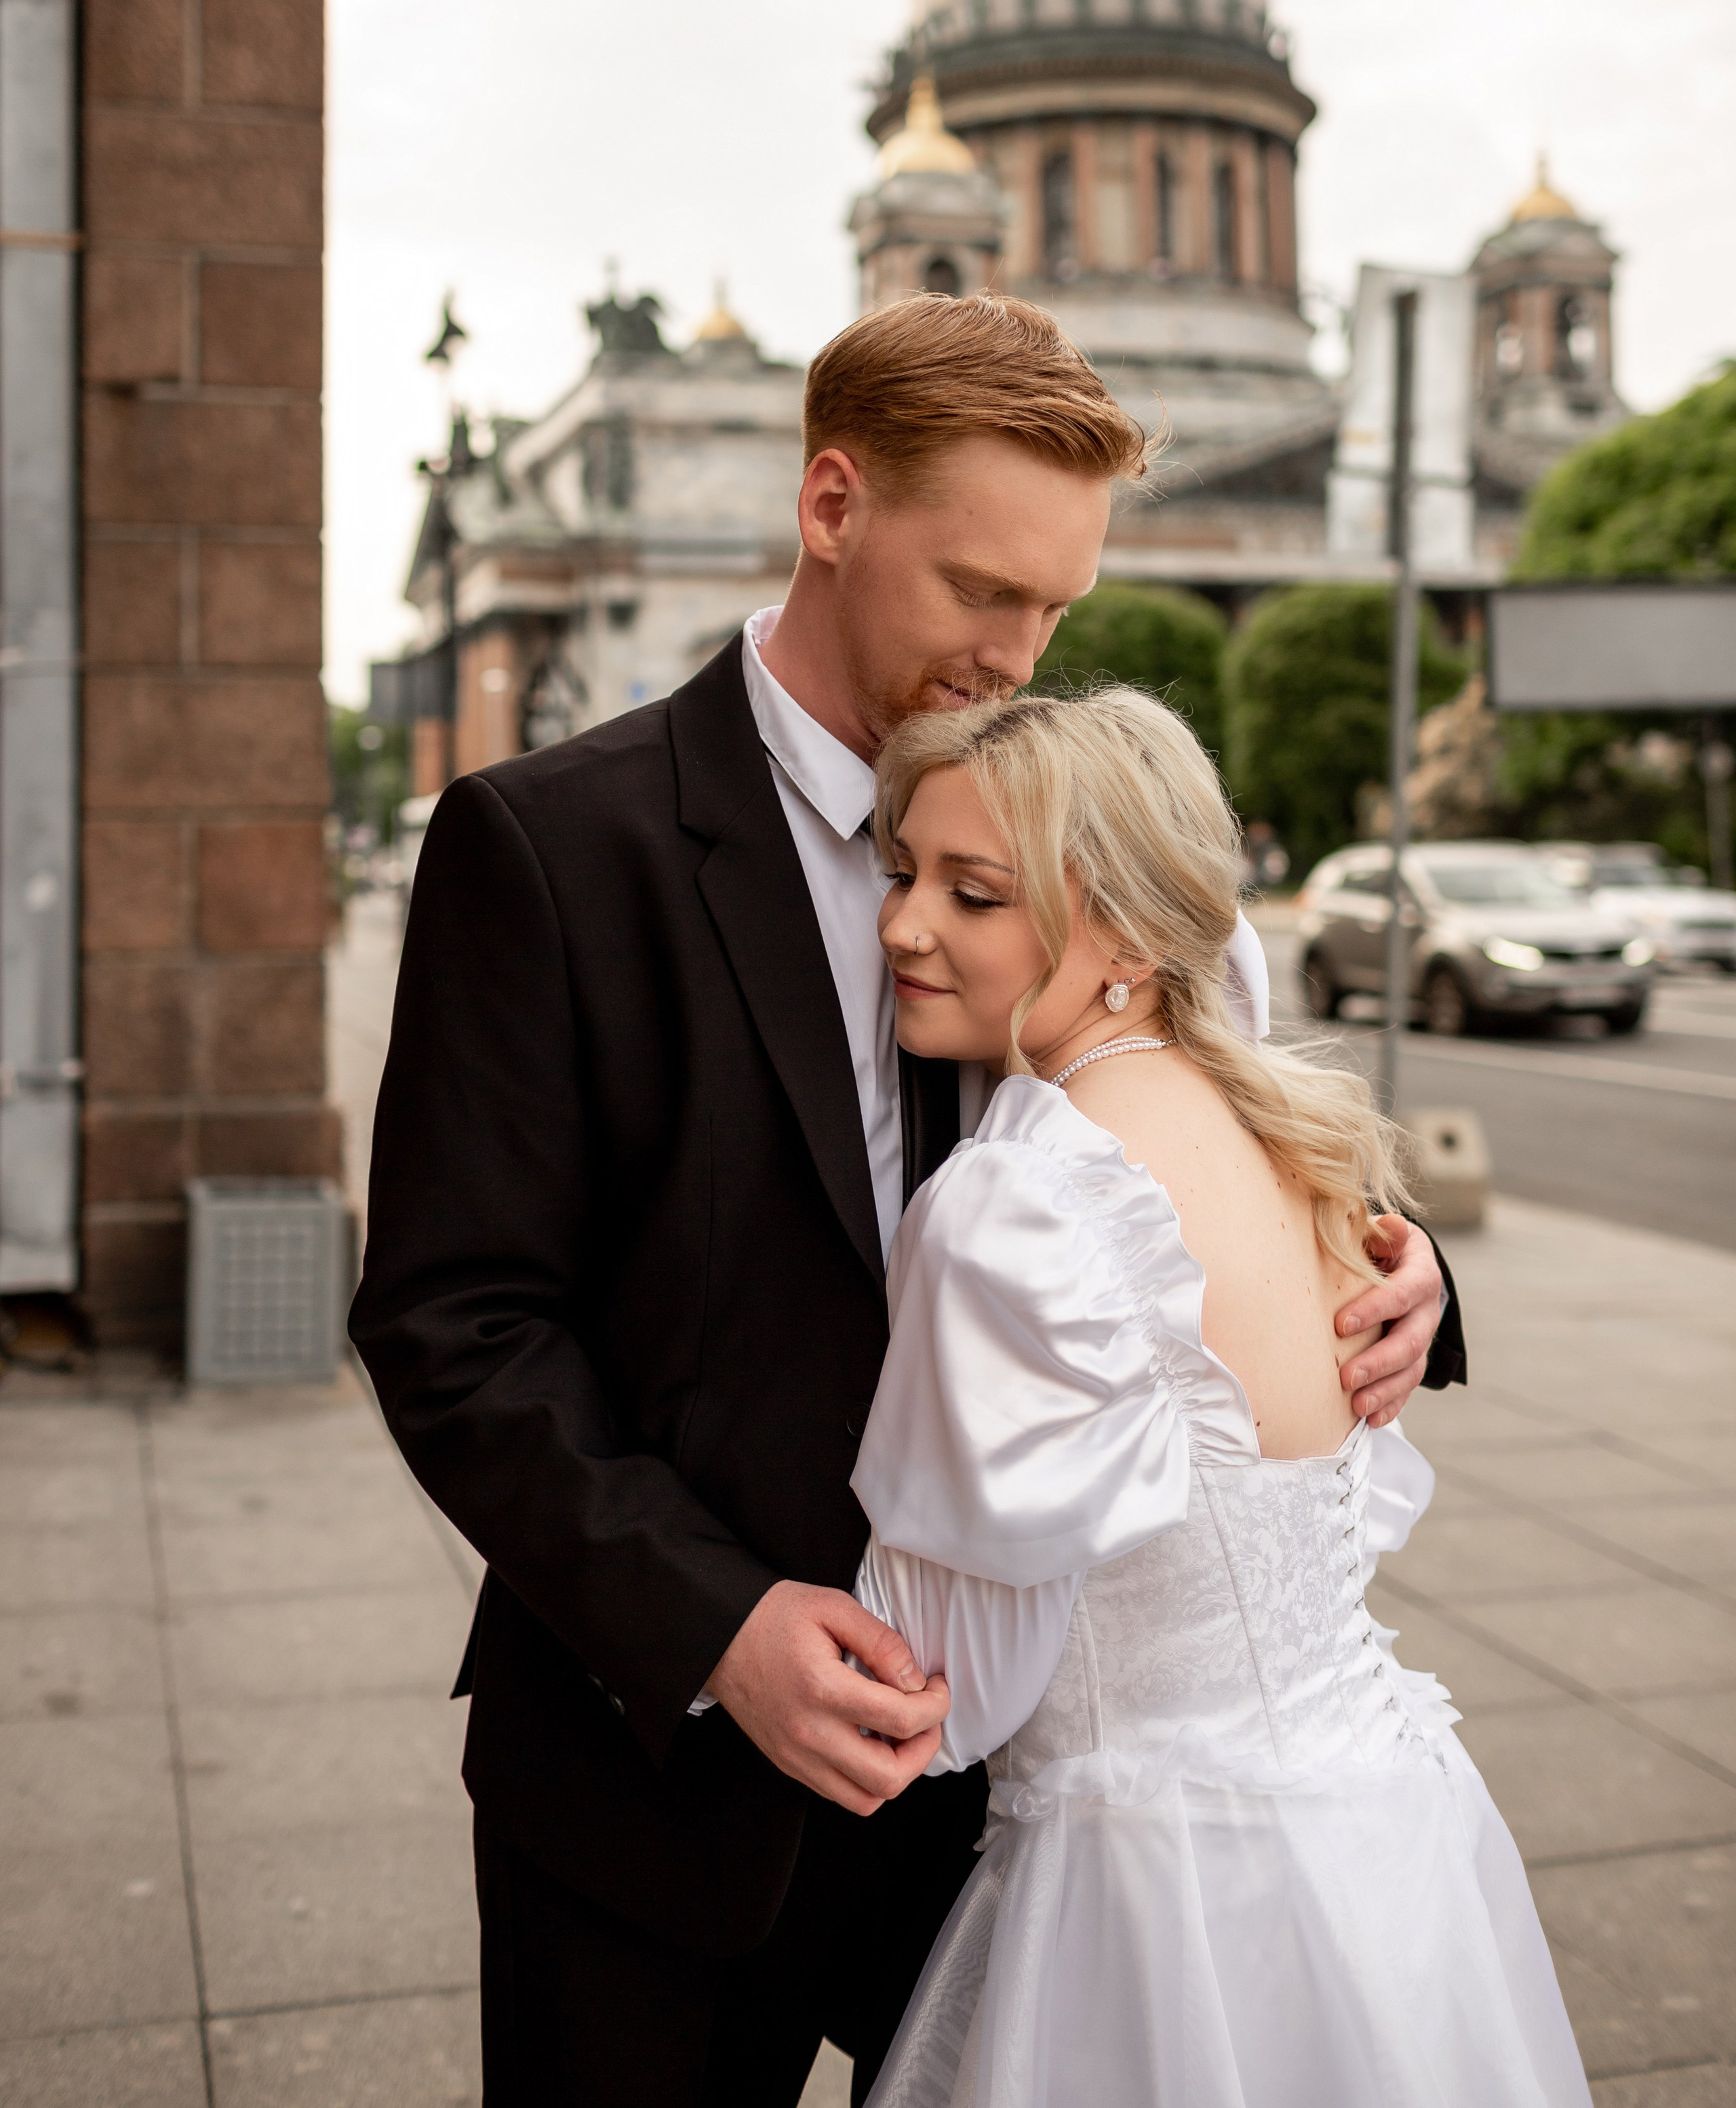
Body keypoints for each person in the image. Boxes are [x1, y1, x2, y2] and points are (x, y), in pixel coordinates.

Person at [349, 292, 1462, 2108]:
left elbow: (1217, 1134)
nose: (1020, 651)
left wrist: (1398, 1276)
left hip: (1019, 1806)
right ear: (835, 503)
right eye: (980, 591)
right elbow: (455, 1327)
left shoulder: (1077, 838)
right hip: (660, 1784)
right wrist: (719, 1626)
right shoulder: (550, 846)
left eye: (1058, 607)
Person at [852, 685, 1588, 2107]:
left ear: (1125, 935)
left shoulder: (1012, 1203)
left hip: (1152, 1893)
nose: (901, 923)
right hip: (1385, 1840)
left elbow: (949, 1682)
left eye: (973, 891)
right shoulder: (1283, 1135)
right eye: (901, 872)